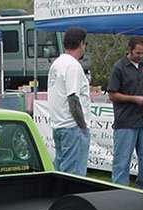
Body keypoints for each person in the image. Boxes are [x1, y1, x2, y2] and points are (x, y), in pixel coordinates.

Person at [107, 37, 143, 191]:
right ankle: (119, 190)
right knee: (122, 160)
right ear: (129, 50)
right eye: (138, 53)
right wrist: (133, 99)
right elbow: (112, 94)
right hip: (126, 121)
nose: (140, 56)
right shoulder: (119, 67)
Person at [47, 27, 91, 176]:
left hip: (59, 125)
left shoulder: (57, 63)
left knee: (61, 173)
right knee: (74, 177)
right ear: (81, 43)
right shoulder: (73, 65)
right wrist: (83, 126)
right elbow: (73, 98)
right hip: (73, 127)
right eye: (85, 44)